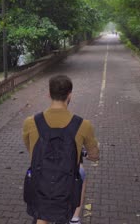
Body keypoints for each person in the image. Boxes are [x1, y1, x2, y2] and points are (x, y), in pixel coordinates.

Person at [22, 75, 100, 224]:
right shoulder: (84, 125)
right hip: (66, 188)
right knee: (81, 172)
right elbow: (94, 155)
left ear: (49, 94)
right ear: (69, 94)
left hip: (39, 185)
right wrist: (91, 153)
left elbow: (30, 149)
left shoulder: (30, 122)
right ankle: (75, 218)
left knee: (40, 216)